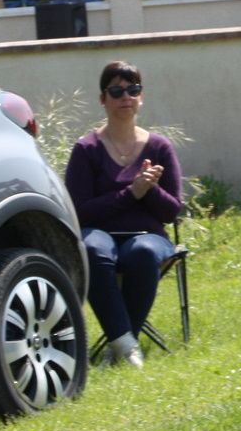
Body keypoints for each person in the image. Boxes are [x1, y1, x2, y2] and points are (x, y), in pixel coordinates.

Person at [64, 60, 183, 368]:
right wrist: (131, 193)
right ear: (103, 99)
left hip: (148, 235)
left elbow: (172, 212)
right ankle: (126, 345)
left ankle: (118, 345)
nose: (125, 97)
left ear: (142, 96)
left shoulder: (159, 147)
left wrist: (150, 189)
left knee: (142, 252)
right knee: (91, 250)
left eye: (133, 90)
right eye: (116, 91)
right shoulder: (86, 149)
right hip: (98, 232)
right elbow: (80, 211)